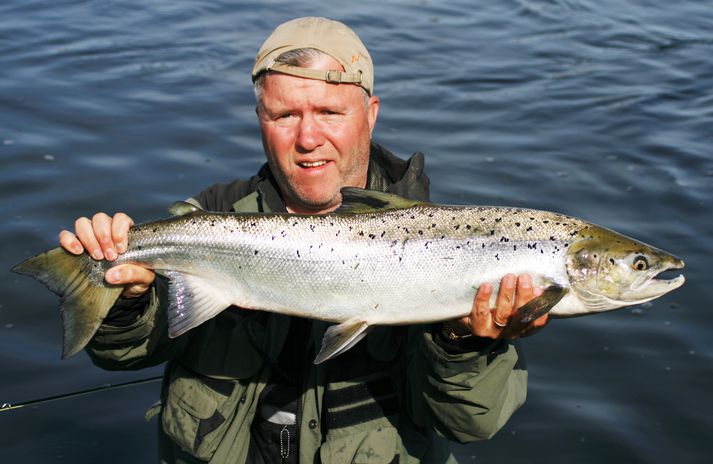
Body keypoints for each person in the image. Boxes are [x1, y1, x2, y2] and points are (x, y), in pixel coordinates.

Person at [59, 17, 548, 464]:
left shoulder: (454, 246)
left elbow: (471, 423)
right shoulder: (211, 217)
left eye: (329, 111)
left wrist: (460, 341)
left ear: (370, 113)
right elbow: (124, 354)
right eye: (285, 115)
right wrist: (126, 302)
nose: (308, 137)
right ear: (260, 120)